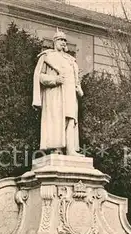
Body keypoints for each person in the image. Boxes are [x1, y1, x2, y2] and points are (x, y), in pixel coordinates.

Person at [32, 28, 84, 156]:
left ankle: (71, 149)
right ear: (54, 41)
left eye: (64, 40)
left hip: (70, 93)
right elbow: (40, 76)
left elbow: (76, 79)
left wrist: (79, 89)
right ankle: (57, 149)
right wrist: (55, 79)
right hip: (55, 94)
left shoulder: (71, 60)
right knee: (57, 120)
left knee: (71, 120)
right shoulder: (47, 56)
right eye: (60, 40)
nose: (63, 42)